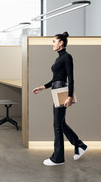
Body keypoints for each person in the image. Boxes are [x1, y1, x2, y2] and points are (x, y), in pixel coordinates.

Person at [32, 31, 87, 166]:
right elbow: (56, 79)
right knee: (60, 123)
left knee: (57, 125)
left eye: (54, 41)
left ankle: (58, 158)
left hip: (62, 91)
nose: (52, 44)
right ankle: (80, 145)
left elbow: (70, 78)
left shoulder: (67, 57)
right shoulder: (59, 58)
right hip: (57, 90)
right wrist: (42, 87)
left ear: (61, 42)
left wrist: (69, 96)